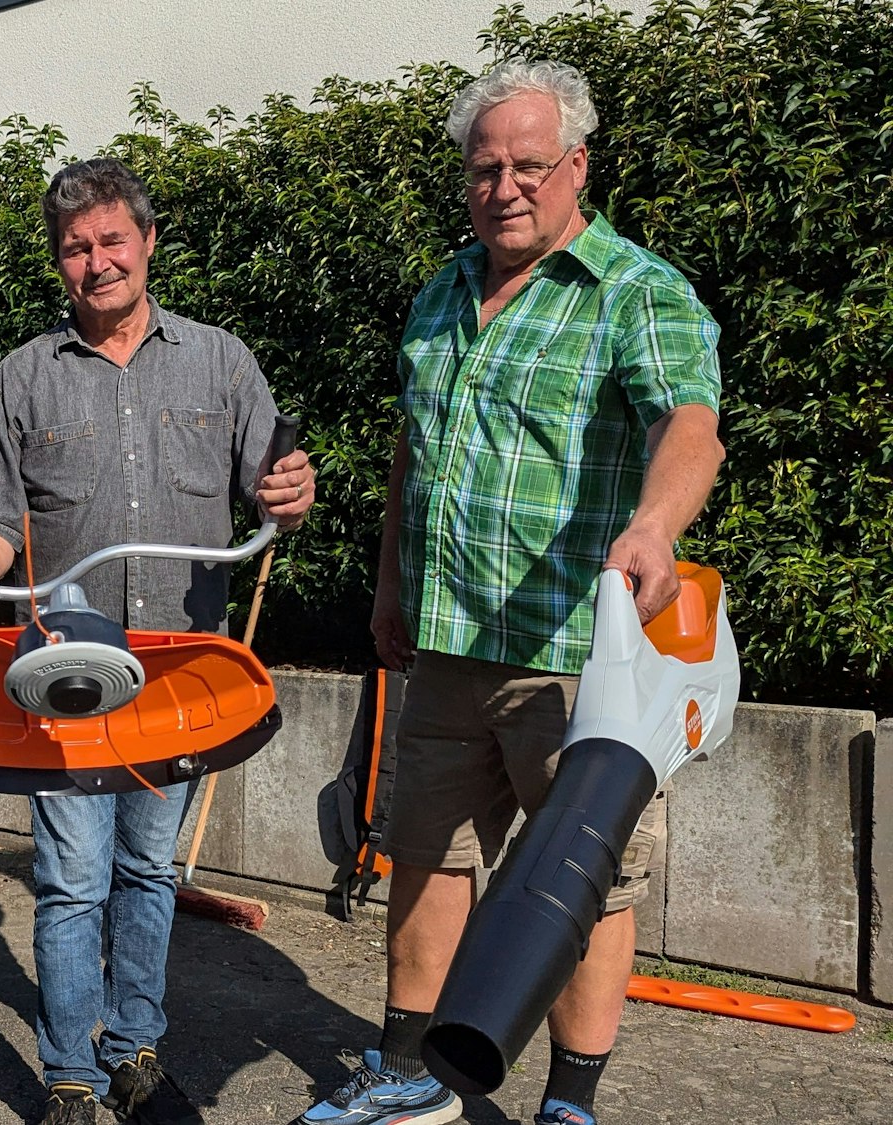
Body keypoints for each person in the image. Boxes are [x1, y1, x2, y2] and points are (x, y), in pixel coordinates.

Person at [295, 61, 723, 1125]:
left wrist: (652, 527)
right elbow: (415, 452)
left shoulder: (635, 291)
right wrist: (391, 585)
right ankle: (407, 1076)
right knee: (425, 860)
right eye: (484, 168)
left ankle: (567, 1104)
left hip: (575, 662)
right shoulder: (442, 289)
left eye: (528, 165)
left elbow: (689, 424)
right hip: (446, 643)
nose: (505, 187)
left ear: (576, 164)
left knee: (585, 886)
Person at [0, 157, 317, 1125]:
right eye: (75, 248)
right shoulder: (24, 377)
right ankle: (70, 1072)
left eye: (111, 240)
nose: (96, 261)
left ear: (146, 242)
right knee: (69, 881)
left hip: (180, 674)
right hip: (68, 668)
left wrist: (288, 493)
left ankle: (134, 1044)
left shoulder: (220, 361)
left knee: (146, 871)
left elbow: (274, 490)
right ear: (58, 261)